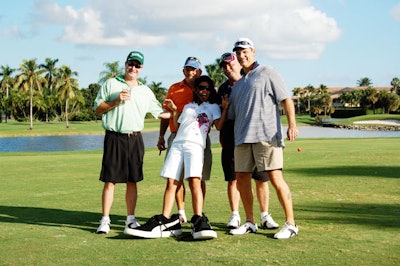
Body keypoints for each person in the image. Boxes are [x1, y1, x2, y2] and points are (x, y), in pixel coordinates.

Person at [125, 75, 229, 240]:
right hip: (177, 144)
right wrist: (174, 111)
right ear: (196, 89)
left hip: (195, 145)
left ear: (211, 91)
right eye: (201, 87)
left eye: (208, 88)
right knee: (171, 182)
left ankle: (198, 218)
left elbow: (219, 126)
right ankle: (165, 220)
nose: (204, 91)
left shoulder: (213, 107)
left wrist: (225, 108)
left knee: (195, 181)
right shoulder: (188, 106)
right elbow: (178, 124)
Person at [227, 38, 299, 239]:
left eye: (245, 51)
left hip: (266, 136)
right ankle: (250, 221)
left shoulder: (267, 72)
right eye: (238, 52)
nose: (242, 55)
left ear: (253, 51)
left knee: (275, 177)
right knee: (241, 179)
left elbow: (286, 99)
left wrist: (292, 125)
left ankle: (291, 224)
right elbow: (232, 114)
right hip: (242, 138)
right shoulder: (238, 85)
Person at [94, 51, 164, 234]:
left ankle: (131, 219)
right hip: (114, 136)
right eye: (130, 64)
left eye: (137, 65)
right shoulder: (111, 83)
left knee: (132, 181)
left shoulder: (145, 90)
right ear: (125, 64)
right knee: (110, 181)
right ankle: (105, 220)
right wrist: (116, 100)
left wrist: (176, 112)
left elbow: (160, 113)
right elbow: (97, 109)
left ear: (141, 68)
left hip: (135, 138)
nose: (133, 68)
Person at [217, 52, 279, 230]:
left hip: (256, 136)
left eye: (230, 64)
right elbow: (221, 117)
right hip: (231, 139)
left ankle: (265, 215)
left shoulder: (253, 80)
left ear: (238, 63)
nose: (228, 68)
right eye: (224, 66)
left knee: (261, 179)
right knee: (233, 179)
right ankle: (236, 215)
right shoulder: (222, 89)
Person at [157, 57, 212, 224]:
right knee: (175, 178)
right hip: (177, 136)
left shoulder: (205, 89)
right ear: (183, 71)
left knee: (198, 178)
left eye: (194, 69)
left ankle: (199, 213)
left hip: (199, 138)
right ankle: (181, 211)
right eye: (188, 69)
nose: (191, 72)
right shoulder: (174, 88)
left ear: (199, 72)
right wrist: (161, 135)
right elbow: (167, 115)